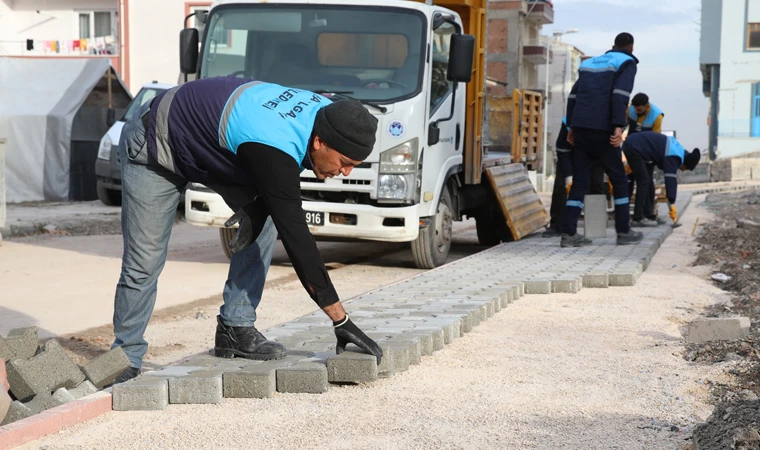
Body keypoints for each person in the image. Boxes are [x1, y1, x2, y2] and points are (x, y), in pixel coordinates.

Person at [109, 76, 383, 384]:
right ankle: (125, 356)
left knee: (264, 219)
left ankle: (235, 328)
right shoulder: (274, 143)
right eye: (344, 162)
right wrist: (340, 320)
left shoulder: (331, 116)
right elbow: (298, 241)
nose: (345, 172)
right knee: (144, 260)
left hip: (208, 146)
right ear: (319, 142)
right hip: (154, 144)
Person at [561, 32, 644, 248]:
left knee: (580, 182)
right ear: (631, 47)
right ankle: (624, 231)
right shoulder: (626, 62)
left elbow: (573, 95)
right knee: (618, 179)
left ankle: (569, 233)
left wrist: (571, 126)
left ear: (613, 45)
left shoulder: (591, 63)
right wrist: (618, 126)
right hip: (603, 130)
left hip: (580, 128)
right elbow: (620, 94)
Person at [543, 116, 607, 238]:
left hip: (594, 155)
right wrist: (568, 176)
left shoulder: (599, 123)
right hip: (569, 155)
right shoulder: (568, 123)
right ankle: (557, 226)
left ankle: (595, 226)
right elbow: (562, 150)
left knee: (595, 185)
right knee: (560, 187)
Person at [622, 131, 701, 224]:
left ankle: (649, 215)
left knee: (649, 182)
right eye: (685, 169)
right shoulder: (675, 156)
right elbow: (670, 180)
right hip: (635, 148)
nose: (682, 170)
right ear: (685, 164)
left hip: (642, 151)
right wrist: (672, 203)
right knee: (643, 181)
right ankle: (637, 218)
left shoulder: (678, 150)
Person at [626, 92, 665, 226]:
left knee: (647, 181)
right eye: (635, 109)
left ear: (647, 106)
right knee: (634, 180)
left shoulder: (656, 116)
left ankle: (648, 214)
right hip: (632, 149)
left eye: (640, 110)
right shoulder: (630, 108)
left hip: (647, 152)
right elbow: (621, 126)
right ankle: (634, 215)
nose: (637, 112)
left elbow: (656, 140)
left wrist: (652, 158)